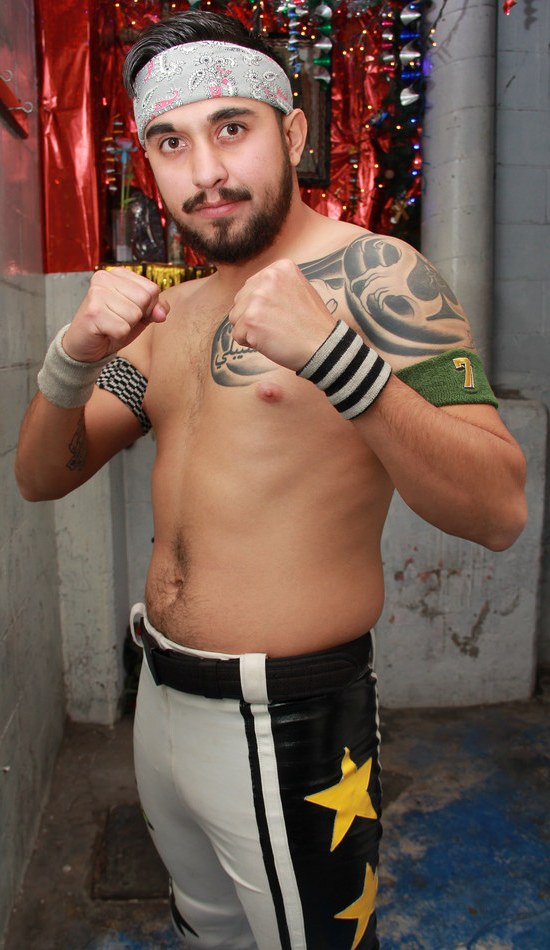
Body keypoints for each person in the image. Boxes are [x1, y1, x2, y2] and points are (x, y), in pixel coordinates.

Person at [15, 10, 527, 950]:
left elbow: (498, 508)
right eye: (172, 142)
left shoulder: (382, 276)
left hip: (287, 715)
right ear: (149, 163)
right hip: (160, 698)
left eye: (232, 128)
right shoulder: (171, 317)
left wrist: (336, 358)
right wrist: (72, 357)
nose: (205, 170)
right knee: (206, 931)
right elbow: (44, 475)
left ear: (291, 134)